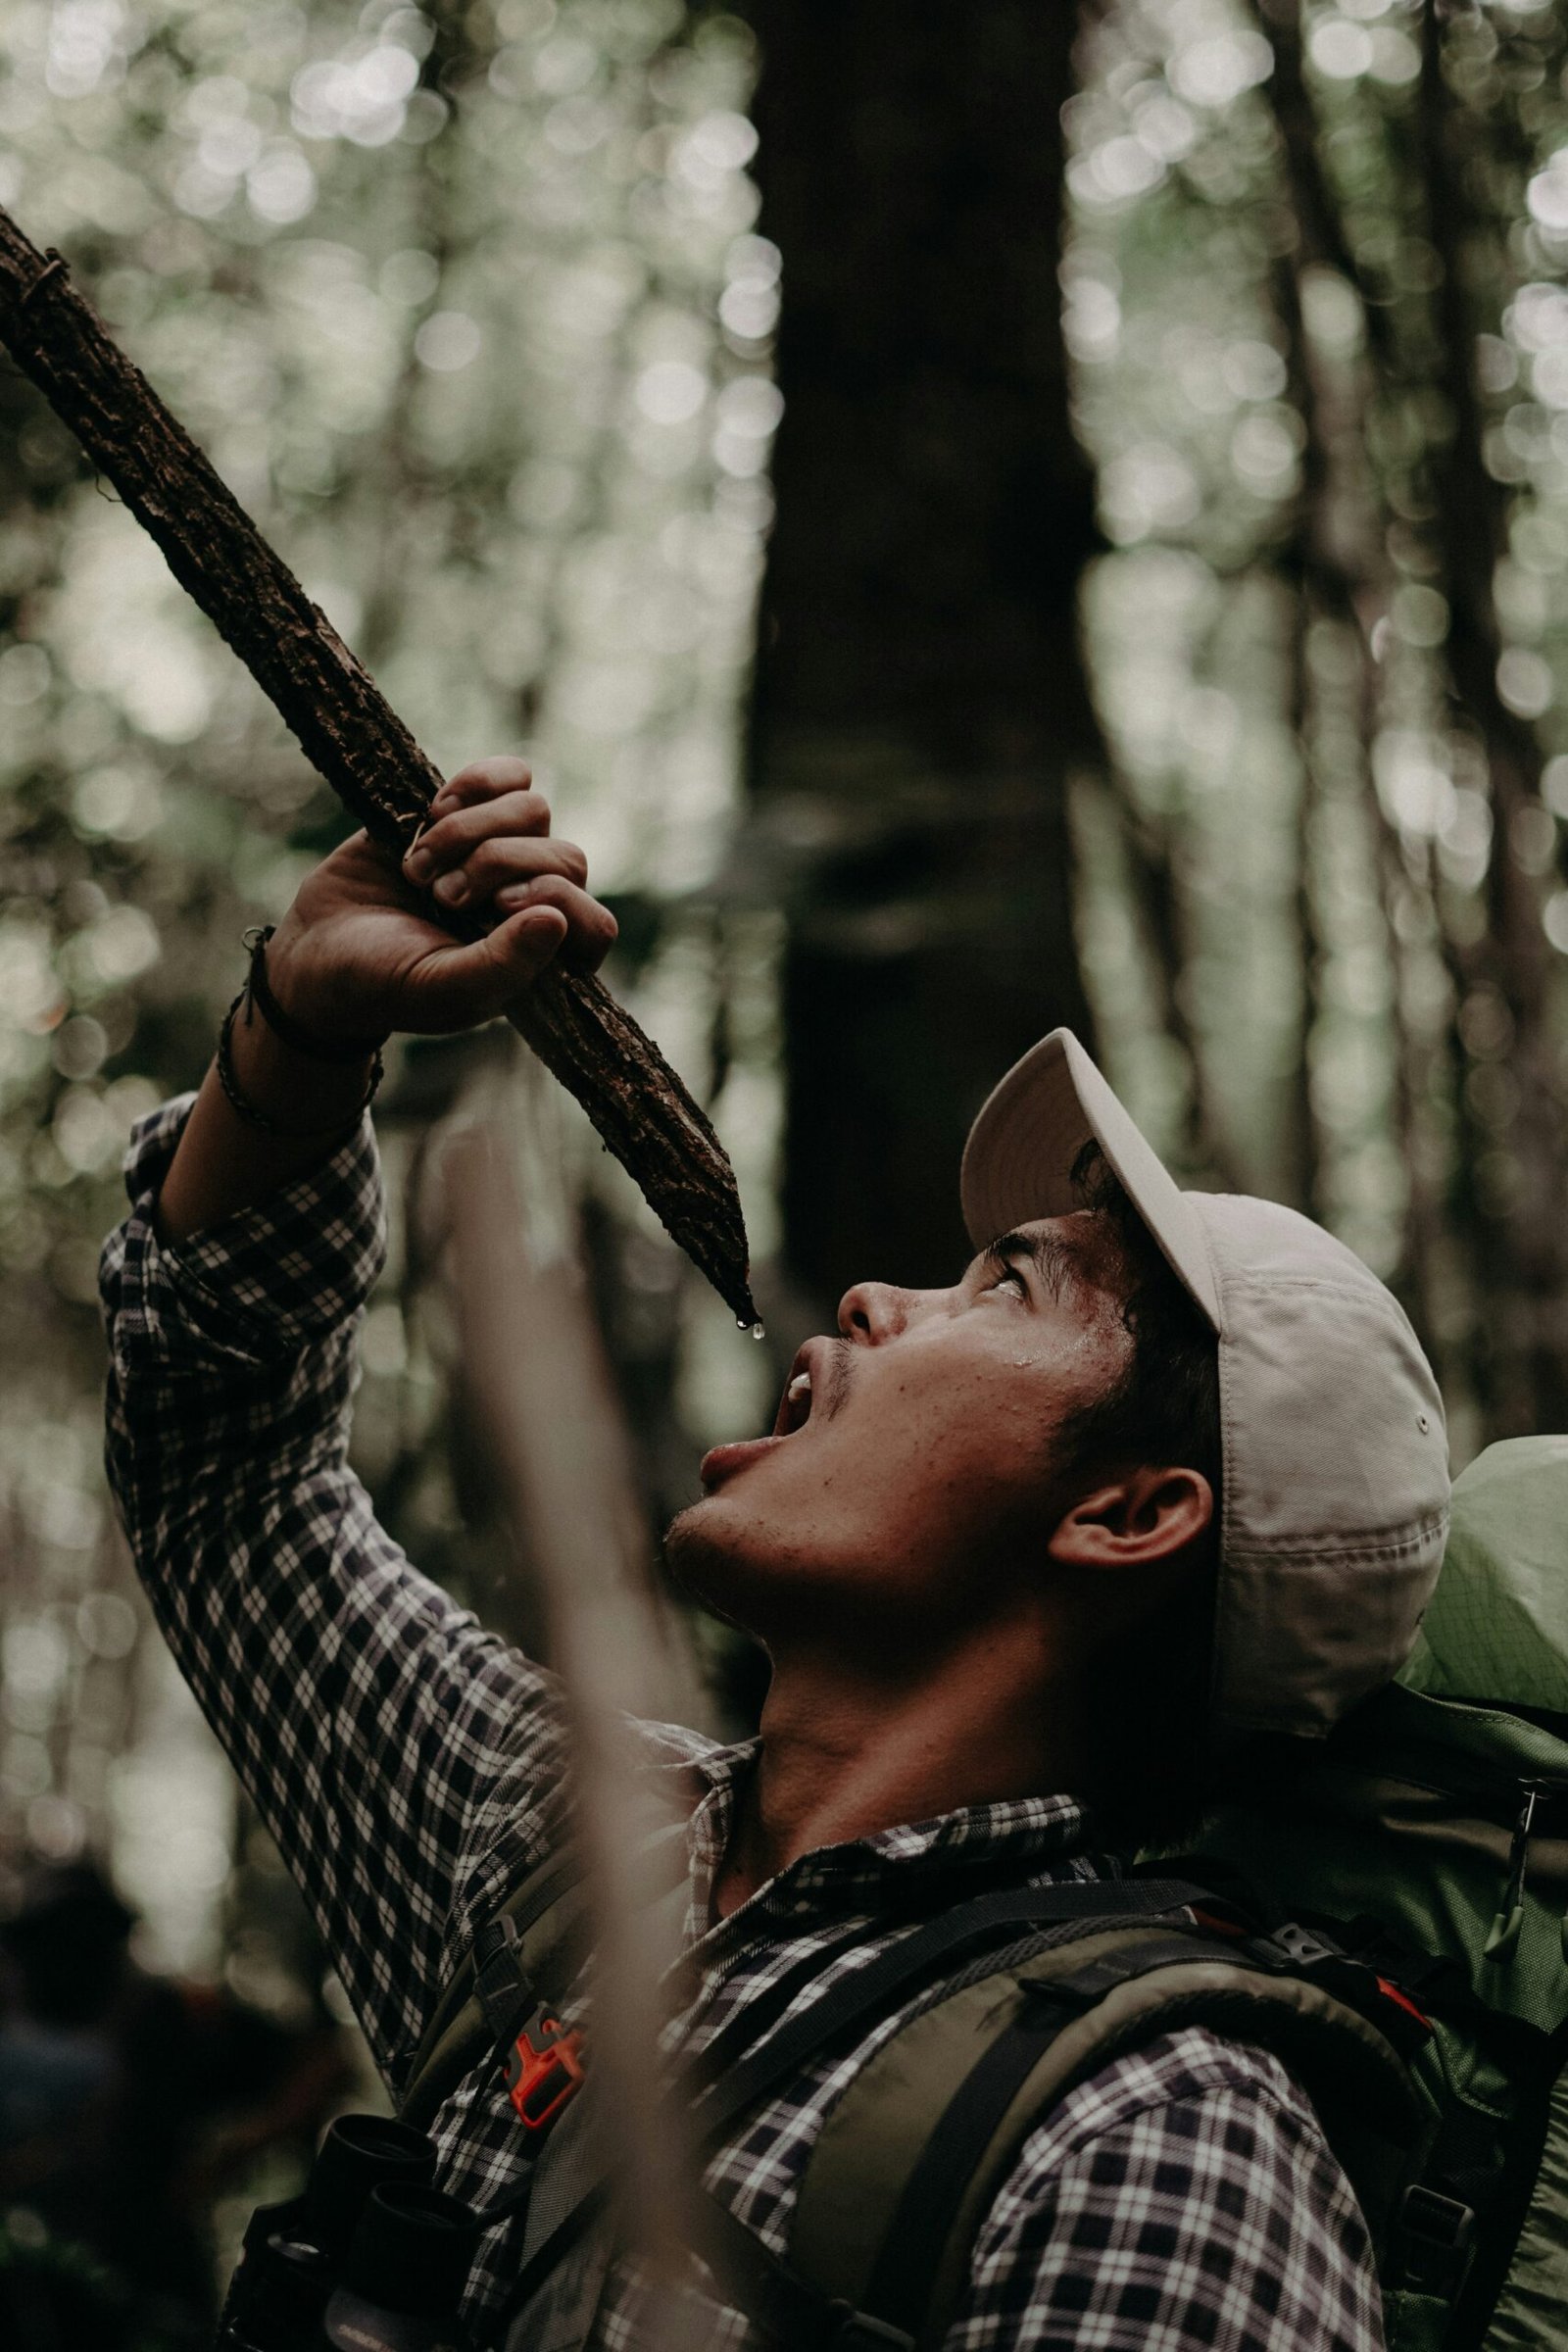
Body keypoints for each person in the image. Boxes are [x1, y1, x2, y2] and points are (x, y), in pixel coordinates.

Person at [100, 759, 1450, 2350]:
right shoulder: (557, 1853)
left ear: (1130, 1515)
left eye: (1008, 1288)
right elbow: (229, 1480)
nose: (878, 1301)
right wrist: (309, 1032)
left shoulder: (1149, 2147)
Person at [0, 1861, 351, 2343]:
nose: (64, 1960)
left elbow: (323, 2059)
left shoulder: (165, 2016)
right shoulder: (14, 2024)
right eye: (48, 1940)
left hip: (146, 2290)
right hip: (28, 2290)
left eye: (82, 1939)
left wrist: (234, 2151)